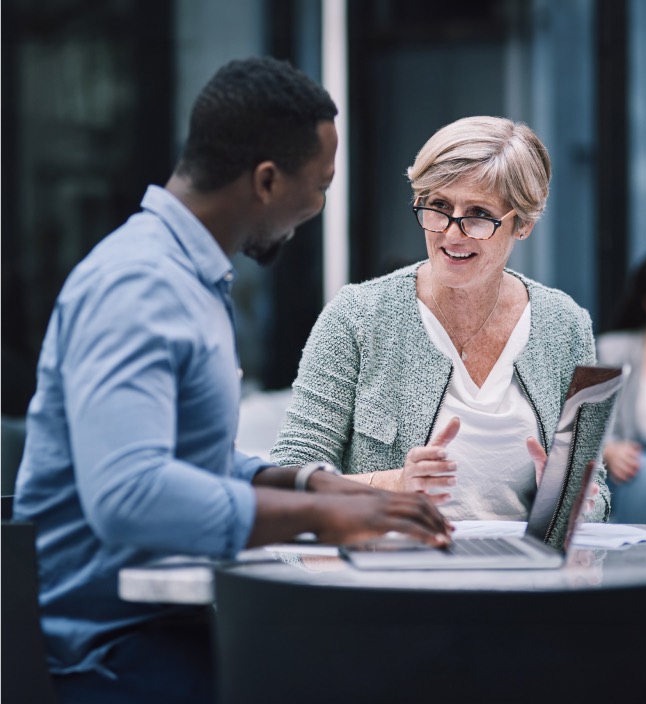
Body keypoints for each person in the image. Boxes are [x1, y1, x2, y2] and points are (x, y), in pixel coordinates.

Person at [12, 56, 451, 704]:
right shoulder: (139, 286)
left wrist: (308, 481)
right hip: (104, 654)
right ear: (268, 181)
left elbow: (193, 461)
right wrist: (319, 515)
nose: (320, 207)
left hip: (157, 627)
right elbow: (131, 494)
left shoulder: (189, 279)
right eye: (321, 184)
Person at [272, 115, 610, 532]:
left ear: (523, 225)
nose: (452, 233)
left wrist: (566, 501)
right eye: (438, 207)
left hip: (522, 582)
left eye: (479, 214)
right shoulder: (358, 315)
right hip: (395, 579)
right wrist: (394, 484)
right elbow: (289, 480)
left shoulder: (565, 325)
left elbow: (596, 496)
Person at [596, 250, 646, 523]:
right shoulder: (613, 350)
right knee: (643, 472)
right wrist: (609, 451)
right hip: (637, 461)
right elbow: (592, 423)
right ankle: (637, 561)